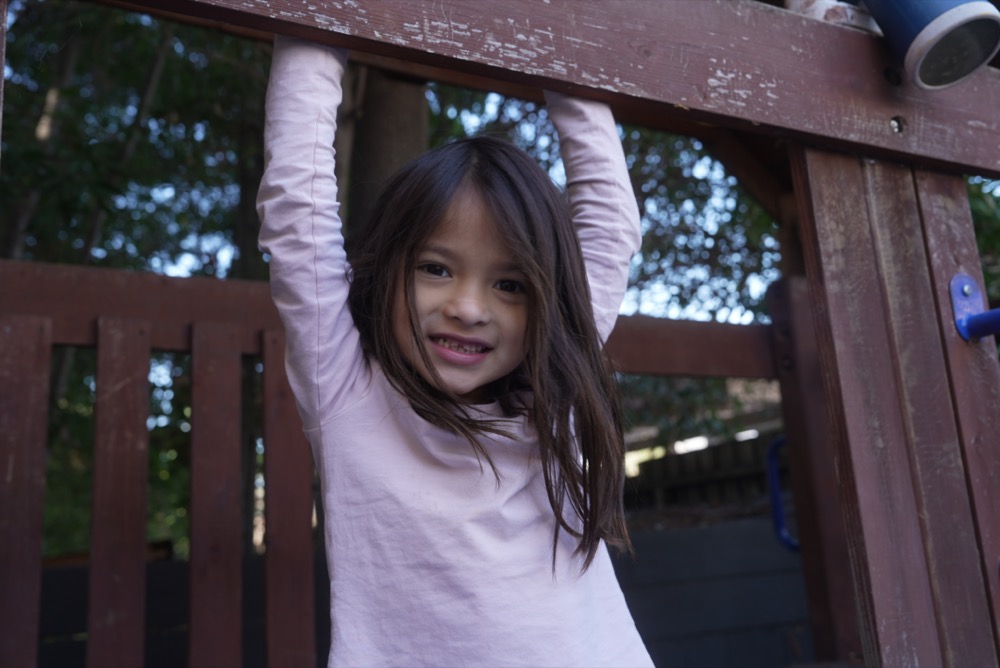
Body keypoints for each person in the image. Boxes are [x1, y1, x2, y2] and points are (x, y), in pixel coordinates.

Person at [257, 34, 652, 668]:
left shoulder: (555, 391)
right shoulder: (347, 390)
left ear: (547, 302)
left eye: (509, 284)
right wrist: (320, 22)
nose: (469, 307)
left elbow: (609, 226)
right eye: (437, 269)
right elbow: (295, 215)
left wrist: (564, 34)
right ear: (388, 271)